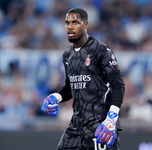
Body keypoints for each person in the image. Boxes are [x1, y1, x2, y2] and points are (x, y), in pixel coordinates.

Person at [41, 8, 125, 150]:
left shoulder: (100, 50)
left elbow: (118, 85)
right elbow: (70, 88)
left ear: (85, 24)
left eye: (75, 22)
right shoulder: (67, 55)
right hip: (76, 127)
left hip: (101, 125)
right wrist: (55, 97)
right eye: (67, 23)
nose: (70, 26)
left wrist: (111, 119)